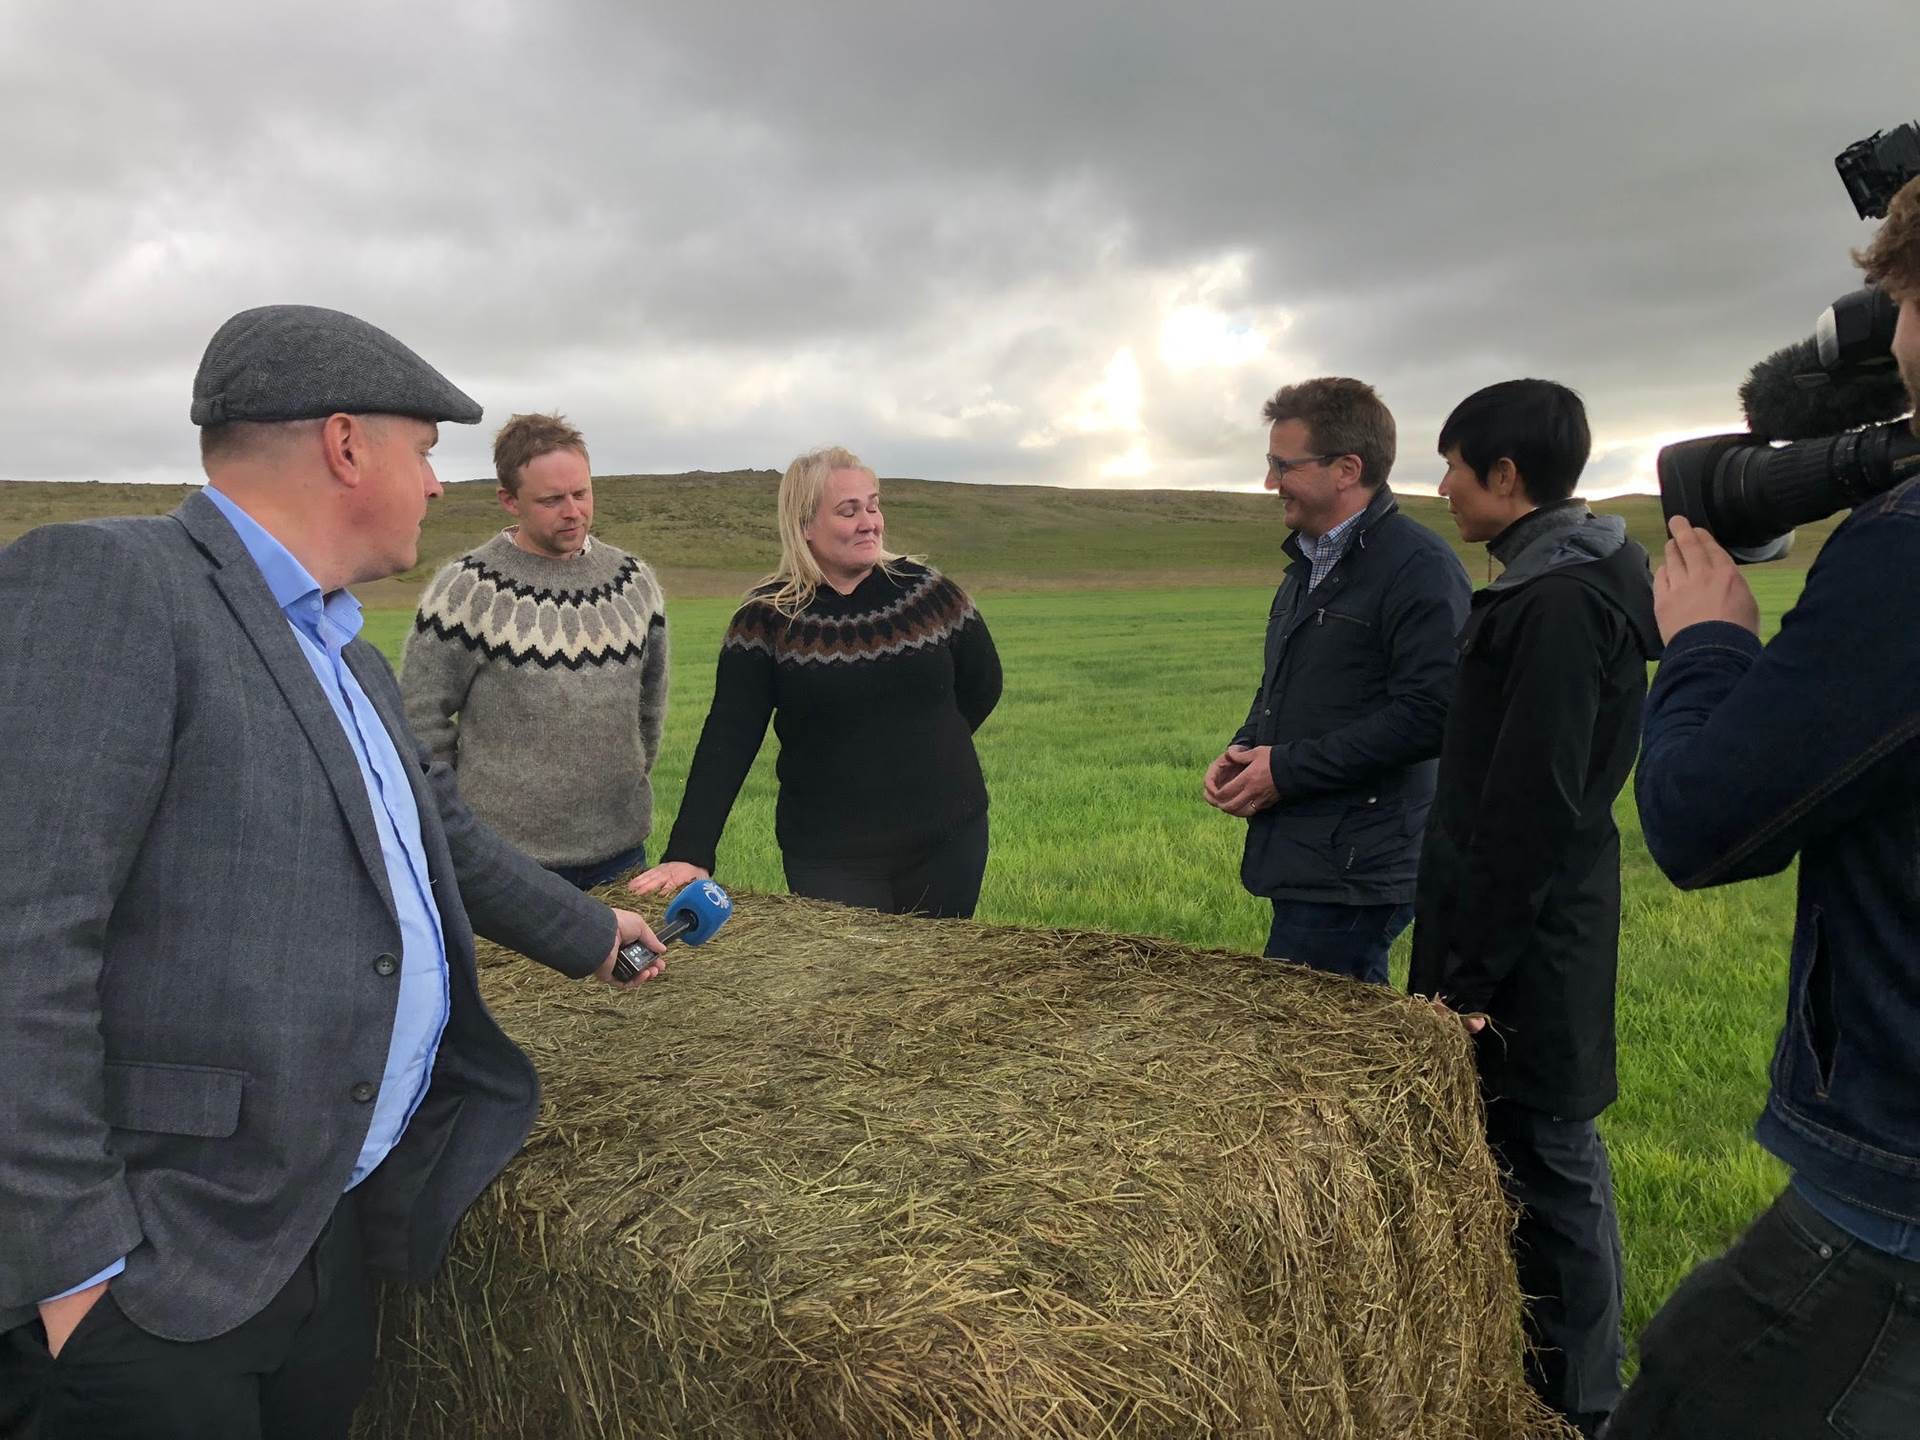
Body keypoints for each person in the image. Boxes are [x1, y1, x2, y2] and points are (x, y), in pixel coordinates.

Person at [0, 304, 668, 1440]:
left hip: (315, 1222)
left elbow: (436, 836)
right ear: (346, 445)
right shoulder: (114, 583)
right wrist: (75, 1270)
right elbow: (26, 932)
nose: (439, 484)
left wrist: (593, 934)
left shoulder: (340, 645)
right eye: (426, 449)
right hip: (161, 1265)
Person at [1608, 178, 1920, 1439]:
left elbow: (1700, 819)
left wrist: (1707, 644)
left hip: (1893, 1202)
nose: (1892, 344)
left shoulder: (1907, 551)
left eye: (1901, 305)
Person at [1406, 379, 1659, 1438]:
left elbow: (1530, 809)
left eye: (1453, 467)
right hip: (1526, 926)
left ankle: (1582, 1409)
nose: (1443, 488)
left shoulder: (1555, 600)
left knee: (1552, 1166)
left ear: (1504, 478)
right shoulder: (1573, 572)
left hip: (1531, 943)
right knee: (1525, 1154)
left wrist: (1467, 978)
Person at [629, 445, 1001, 917]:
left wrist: (921, 749)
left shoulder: (929, 594)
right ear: (805, 525)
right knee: (851, 987)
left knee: (937, 985)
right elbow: (731, 733)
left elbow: (984, 683)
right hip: (831, 858)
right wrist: (690, 850)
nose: (870, 521)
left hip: (949, 841)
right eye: (849, 511)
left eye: (874, 504)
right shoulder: (766, 617)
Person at [1204, 377, 1470, 984]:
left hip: (1360, 864)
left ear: (1347, 468)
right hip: (1313, 850)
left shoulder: (1418, 569)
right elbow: (1287, 681)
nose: (1271, 483)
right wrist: (1246, 748)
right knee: (1318, 1045)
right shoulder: (1307, 563)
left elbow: (1434, 712)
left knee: (1314, 1054)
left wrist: (1286, 769)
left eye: (1282, 465)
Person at [401, 412, 669, 890]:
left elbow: (650, 704)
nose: (573, 511)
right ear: (510, 500)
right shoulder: (466, 591)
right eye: (551, 500)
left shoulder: (633, 584)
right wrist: (458, 821)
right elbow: (422, 717)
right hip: (505, 863)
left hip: (621, 854)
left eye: (581, 493)